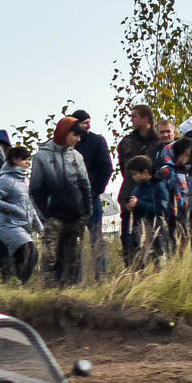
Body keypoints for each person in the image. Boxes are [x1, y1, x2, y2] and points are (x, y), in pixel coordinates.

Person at [30, 117, 91, 286]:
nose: (78, 139)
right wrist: (46, 214)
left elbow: (85, 185)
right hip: (54, 216)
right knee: (49, 258)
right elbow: (35, 189)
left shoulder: (77, 156)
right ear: (65, 133)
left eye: (80, 136)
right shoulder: (42, 156)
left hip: (76, 216)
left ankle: (69, 292)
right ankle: (47, 291)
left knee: (73, 259)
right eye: (75, 135)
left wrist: (87, 211)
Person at [69, 109, 113, 280]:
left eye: (89, 122)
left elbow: (106, 167)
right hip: (72, 199)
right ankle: (76, 280)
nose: (88, 126)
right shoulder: (69, 142)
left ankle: (102, 276)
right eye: (84, 122)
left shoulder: (97, 141)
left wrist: (97, 189)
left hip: (91, 196)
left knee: (96, 236)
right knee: (74, 239)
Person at [116, 106, 162, 263]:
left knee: (154, 237)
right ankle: (132, 270)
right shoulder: (126, 142)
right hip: (130, 193)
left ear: (145, 119)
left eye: (134, 116)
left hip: (152, 197)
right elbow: (124, 169)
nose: (131, 120)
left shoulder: (158, 142)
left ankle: (157, 270)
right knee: (129, 238)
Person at [0, 145, 40, 282]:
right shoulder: (5, 180)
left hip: (23, 225)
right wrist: (14, 209)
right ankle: (20, 283)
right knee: (29, 250)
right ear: (15, 160)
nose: (28, 162)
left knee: (26, 256)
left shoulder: (25, 180)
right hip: (8, 225)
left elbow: (29, 205)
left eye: (29, 160)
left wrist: (39, 225)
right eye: (25, 159)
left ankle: (16, 284)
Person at [118, 155, 175, 264]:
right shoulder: (136, 190)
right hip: (141, 235)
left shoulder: (160, 187)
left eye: (135, 174)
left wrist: (139, 204)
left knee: (158, 263)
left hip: (158, 234)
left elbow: (162, 210)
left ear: (145, 172)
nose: (133, 177)